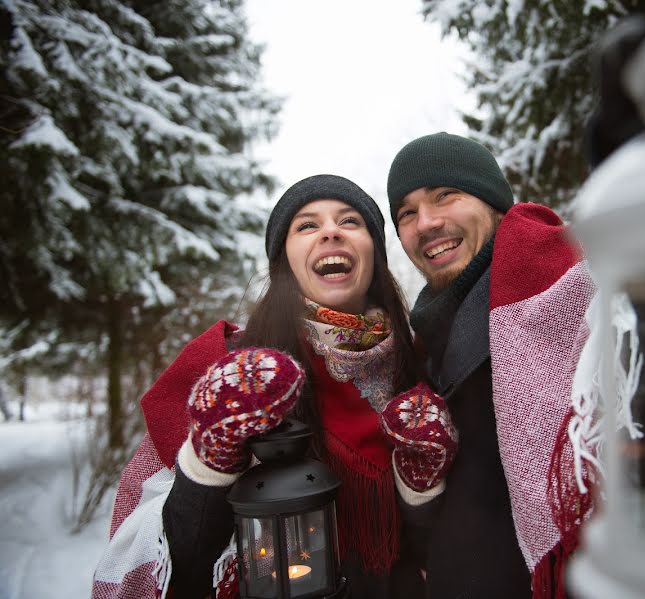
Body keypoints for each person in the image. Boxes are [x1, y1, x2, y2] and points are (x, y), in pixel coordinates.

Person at [92, 175, 457, 599]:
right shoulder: (233, 370)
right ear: (283, 258)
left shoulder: (420, 364)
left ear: (374, 252)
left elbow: (437, 552)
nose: (331, 231)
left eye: (350, 221)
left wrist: (421, 490)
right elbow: (176, 564)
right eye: (306, 225)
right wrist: (208, 462)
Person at [386, 132, 597, 599]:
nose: (426, 222)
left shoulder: (567, 292)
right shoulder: (423, 338)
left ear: (494, 202)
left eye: (446, 196)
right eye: (406, 212)